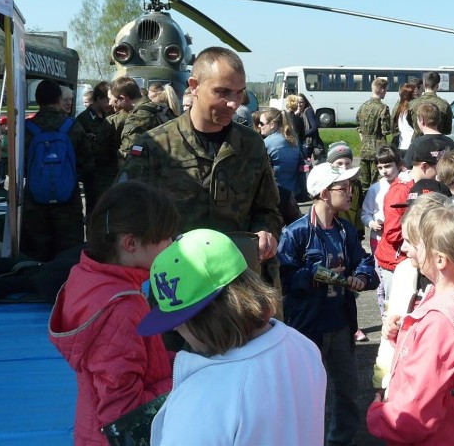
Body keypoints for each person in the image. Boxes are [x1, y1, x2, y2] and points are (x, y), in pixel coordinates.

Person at [139, 228, 327, 446]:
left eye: (176, 319)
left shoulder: (202, 399)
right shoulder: (302, 345)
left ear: (201, 318)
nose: (174, 329)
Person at [120, 47, 283, 285]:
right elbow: (125, 216)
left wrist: (265, 231)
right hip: (178, 282)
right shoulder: (156, 146)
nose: (233, 103)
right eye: (222, 92)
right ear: (194, 86)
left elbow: (267, 209)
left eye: (239, 93)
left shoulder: (251, 144)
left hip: (237, 279)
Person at [48, 181, 178, 446]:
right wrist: (188, 380)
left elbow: (131, 362)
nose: (172, 244)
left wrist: (186, 360)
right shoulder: (120, 309)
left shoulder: (89, 277)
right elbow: (124, 416)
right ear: (131, 242)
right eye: (165, 237)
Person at [367, 204, 454, 446]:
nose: (411, 250)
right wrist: (402, 336)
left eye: (420, 245)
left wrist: (377, 414)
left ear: (440, 259)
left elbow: (414, 416)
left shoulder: (440, 323)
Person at [277, 163, 378, 446]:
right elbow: (283, 278)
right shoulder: (295, 233)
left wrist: (361, 275)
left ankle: (339, 441)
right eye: (344, 188)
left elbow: (364, 261)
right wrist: (313, 276)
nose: (351, 192)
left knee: (348, 390)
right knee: (308, 395)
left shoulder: (346, 229)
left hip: (341, 324)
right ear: (324, 193)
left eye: (351, 187)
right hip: (308, 327)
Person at [22, 79, 93, 262]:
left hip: (35, 203)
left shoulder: (26, 129)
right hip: (68, 202)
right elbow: (88, 163)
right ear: (58, 99)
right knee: (68, 255)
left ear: (37, 99)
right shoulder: (72, 126)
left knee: (36, 253)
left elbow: (19, 167)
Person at [377, 137, 447, 301]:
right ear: (424, 166)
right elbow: (392, 233)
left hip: (415, 259)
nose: (440, 176)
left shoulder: (426, 186)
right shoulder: (401, 190)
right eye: (438, 170)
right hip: (395, 263)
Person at [361, 145, 402, 317]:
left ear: (398, 165)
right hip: (378, 239)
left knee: (398, 278)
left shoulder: (404, 184)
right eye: (380, 167)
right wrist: (371, 223)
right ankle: (384, 315)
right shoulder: (375, 188)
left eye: (388, 166)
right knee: (381, 281)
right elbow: (365, 212)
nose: (384, 171)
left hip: (398, 241)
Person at [76, 81, 119, 216]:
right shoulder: (83, 120)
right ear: (98, 99)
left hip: (110, 173)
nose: (109, 104)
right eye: (107, 100)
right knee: (95, 212)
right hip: (94, 176)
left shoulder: (109, 116)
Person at [109, 76, 164, 161]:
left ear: (123, 98)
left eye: (116, 101)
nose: (115, 104)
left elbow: (129, 155)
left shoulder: (136, 118)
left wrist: (137, 151)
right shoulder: (160, 108)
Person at [356, 77, 393, 191]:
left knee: (364, 184)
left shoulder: (363, 106)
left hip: (364, 148)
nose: (385, 93)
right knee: (377, 183)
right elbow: (386, 130)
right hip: (378, 148)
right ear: (382, 90)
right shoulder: (383, 108)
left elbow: (359, 128)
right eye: (385, 90)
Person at [259, 107, 305, 195]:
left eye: (261, 123)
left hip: (274, 194)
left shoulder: (266, 143)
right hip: (293, 193)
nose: (259, 126)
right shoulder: (293, 140)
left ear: (272, 124)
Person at [408, 71, 453, 139]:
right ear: (437, 86)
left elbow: (410, 122)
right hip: (438, 143)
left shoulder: (412, 104)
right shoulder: (444, 105)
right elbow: (447, 130)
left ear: (424, 84)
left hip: (417, 142)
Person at [391, 82, 417, 157]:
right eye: (414, 93)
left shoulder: (399, 109)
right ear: (410, 95)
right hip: (411, 146)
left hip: (401, 146)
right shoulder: (411, 109)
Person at [298, 93, 325, 162]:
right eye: (297, 102)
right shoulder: (300, 112)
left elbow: (314, 127)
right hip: (306, 143)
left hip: (311, 143)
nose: (299, 104)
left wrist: (303, 134)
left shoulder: (308, 111)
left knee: (308, 164)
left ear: (305, 102)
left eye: (301, 102)